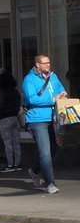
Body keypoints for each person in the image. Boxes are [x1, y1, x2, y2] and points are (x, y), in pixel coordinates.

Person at [21, 54, 67, 194]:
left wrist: (63, 94)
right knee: (45, 152)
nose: (48, 65)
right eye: (45, 63)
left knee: (55, 150)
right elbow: (32, 99)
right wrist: (53, 99)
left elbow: (60, 90)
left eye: (49, 62)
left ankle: (34, 170)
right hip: (36, 120)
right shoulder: (29, 80)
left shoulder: (53, 77)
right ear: (37, 65)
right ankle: (50, 184)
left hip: (53, 118)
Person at [0, 70, 21, 173]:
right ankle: (17, 164)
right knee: (16, 142)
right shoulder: (16, 92)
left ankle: (10, 165)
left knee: (8, 143)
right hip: (15, 117)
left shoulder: (3, 92)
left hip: (5, 118)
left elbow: (2, 105)